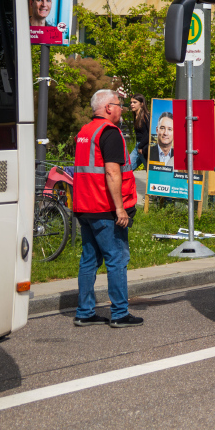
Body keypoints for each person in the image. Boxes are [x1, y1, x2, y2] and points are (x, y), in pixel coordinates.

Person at [72, 88, 143, 328]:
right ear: (108, 108)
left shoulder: (85, 131)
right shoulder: (109, 133)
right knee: (117, 258)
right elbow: (113, 172)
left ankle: (84, 312)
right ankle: (120, 313)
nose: (122, 108)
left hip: (84, 206)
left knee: (89, 259)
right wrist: (120, 209)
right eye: (119, 104)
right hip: (104, 207)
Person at [128, 94, 150, 170]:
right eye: (131, 102)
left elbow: (150, 133)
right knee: (126, 168)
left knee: (150, 173)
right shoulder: (136, 115)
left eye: (134, 102)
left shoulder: (146, 116)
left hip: (144, 148)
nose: (132, 104)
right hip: (138, 147)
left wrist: (141, 146)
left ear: (141, 104)